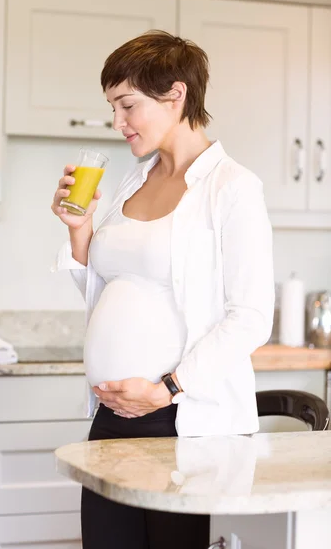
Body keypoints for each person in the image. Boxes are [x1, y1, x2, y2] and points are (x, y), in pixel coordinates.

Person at [51, 30, 275, 549]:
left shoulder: (233, 188)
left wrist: (167, 388)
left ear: (176, 94)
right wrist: (77, 231)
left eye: (127, 104)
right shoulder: (134, 180)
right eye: (112, 107)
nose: (117, 122)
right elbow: (105, 290)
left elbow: (250, 317)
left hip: (182, 422)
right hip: (112, 416)